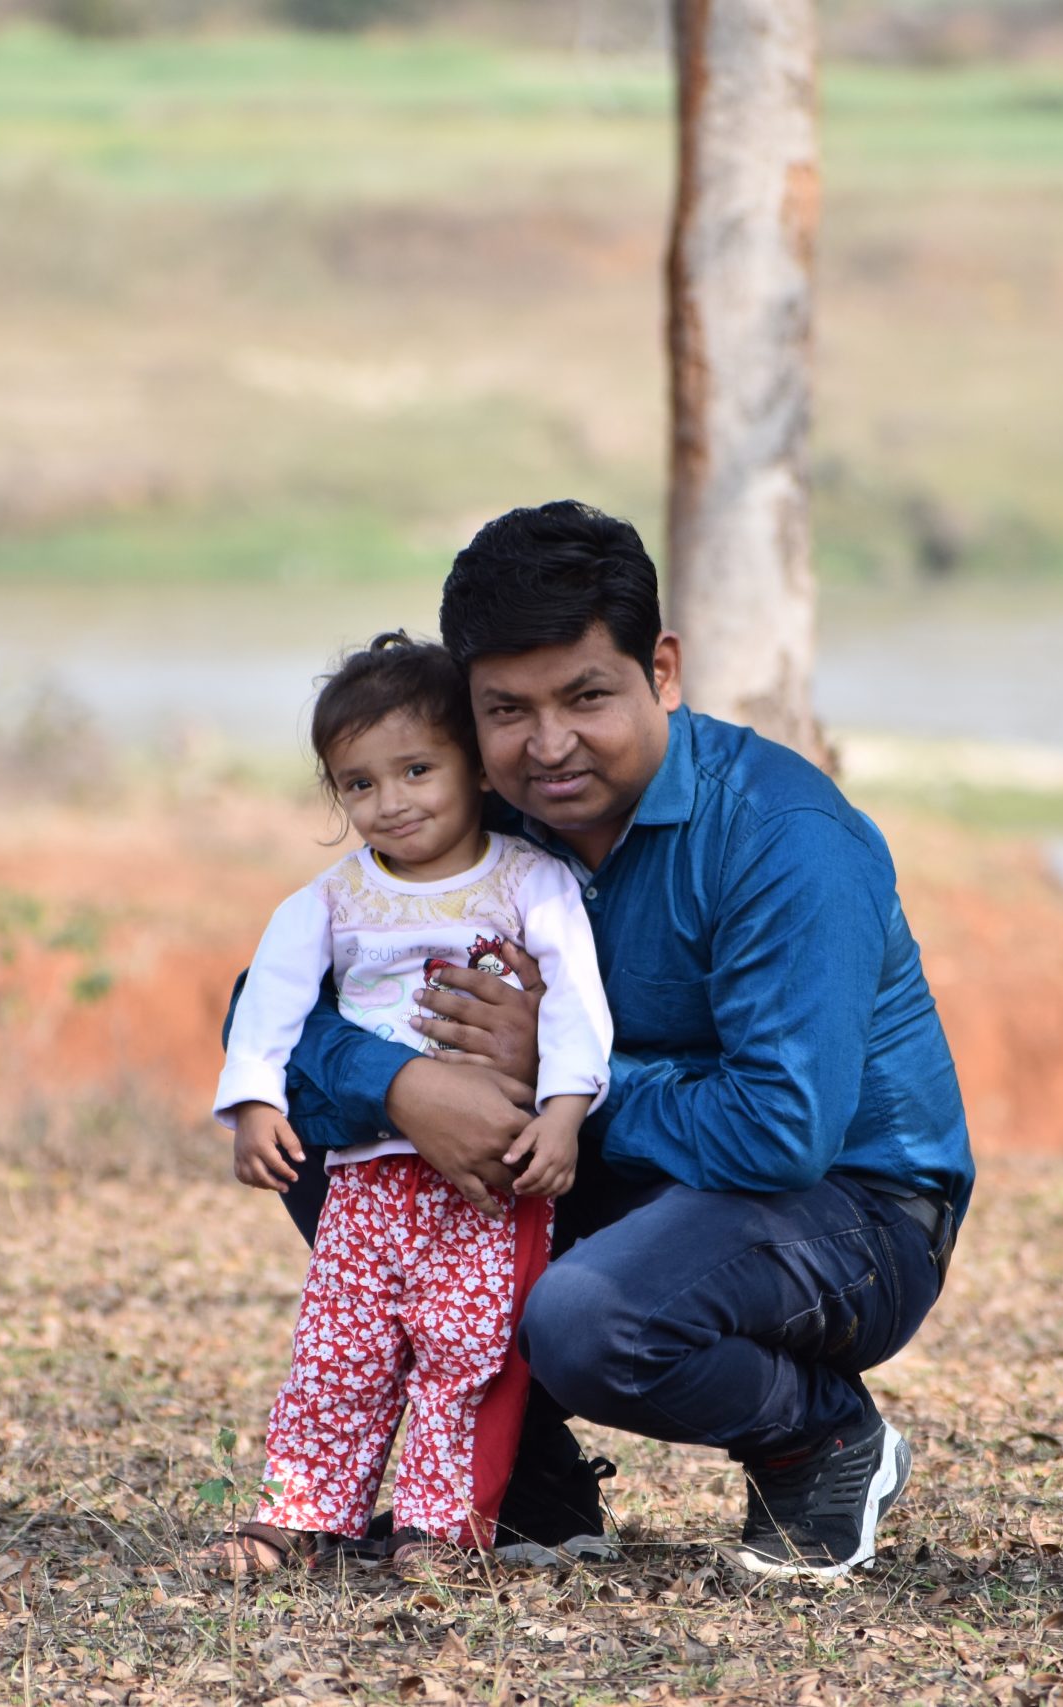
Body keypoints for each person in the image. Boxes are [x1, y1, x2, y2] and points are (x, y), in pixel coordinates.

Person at [266, 502, 973, 1578]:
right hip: (618, 1165)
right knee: (328, 1132)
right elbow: (267, 1015)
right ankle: (530, 1489)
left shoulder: (784, 839)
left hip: (849, 1212)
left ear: (664, 671)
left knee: (591, 1319)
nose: (547, 746)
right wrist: (405, 1086)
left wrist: (554, 1073)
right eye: (506, 710)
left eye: (587, 697)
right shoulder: (480, 825)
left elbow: (781, 1133)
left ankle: (819, 1439)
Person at [200, 631, 614, 1575]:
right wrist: (256, 1103)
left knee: (466, 1354)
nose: (392, 802)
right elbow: (269, 1003)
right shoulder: (331, 899)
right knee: (339, 1346)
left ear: (474, 766)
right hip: (367, 1179)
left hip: (491, 1183)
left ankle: (440, 1528)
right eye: (359, 783)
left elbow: (578, 1007)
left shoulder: (529, 880)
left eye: (418, 769)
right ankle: (303, 1516)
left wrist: (562, 1112)